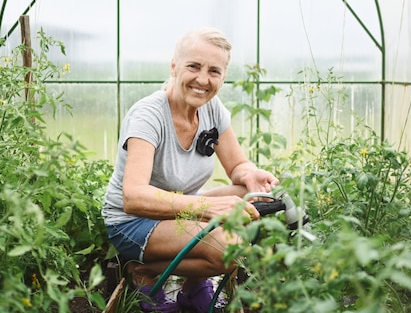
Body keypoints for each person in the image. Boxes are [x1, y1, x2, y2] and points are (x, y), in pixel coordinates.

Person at [102, 27, 280, 312]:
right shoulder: (148, 116)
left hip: (177, 212)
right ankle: (143, 271)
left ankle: (193, 287)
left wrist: (249, 174)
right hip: (132, 222)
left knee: (253, 197)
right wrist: (205, 208)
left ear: (223, 77)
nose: (202, 79)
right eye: (194, 66)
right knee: (226, 248)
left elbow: (236, 165)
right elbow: (133, 197)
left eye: (214, 71)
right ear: (174, 66)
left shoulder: (212, 109)